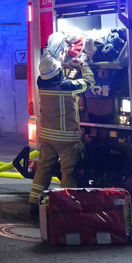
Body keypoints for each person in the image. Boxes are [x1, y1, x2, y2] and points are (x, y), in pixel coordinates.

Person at [29, 52, 94, 217]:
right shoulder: (68, 87)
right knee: (68, 172)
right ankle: (68, 206)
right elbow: (89, 82)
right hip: (66, 139)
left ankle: (34, 203)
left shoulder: (41, 84)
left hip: (46, 137)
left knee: (44, 168)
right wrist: (84, 64)